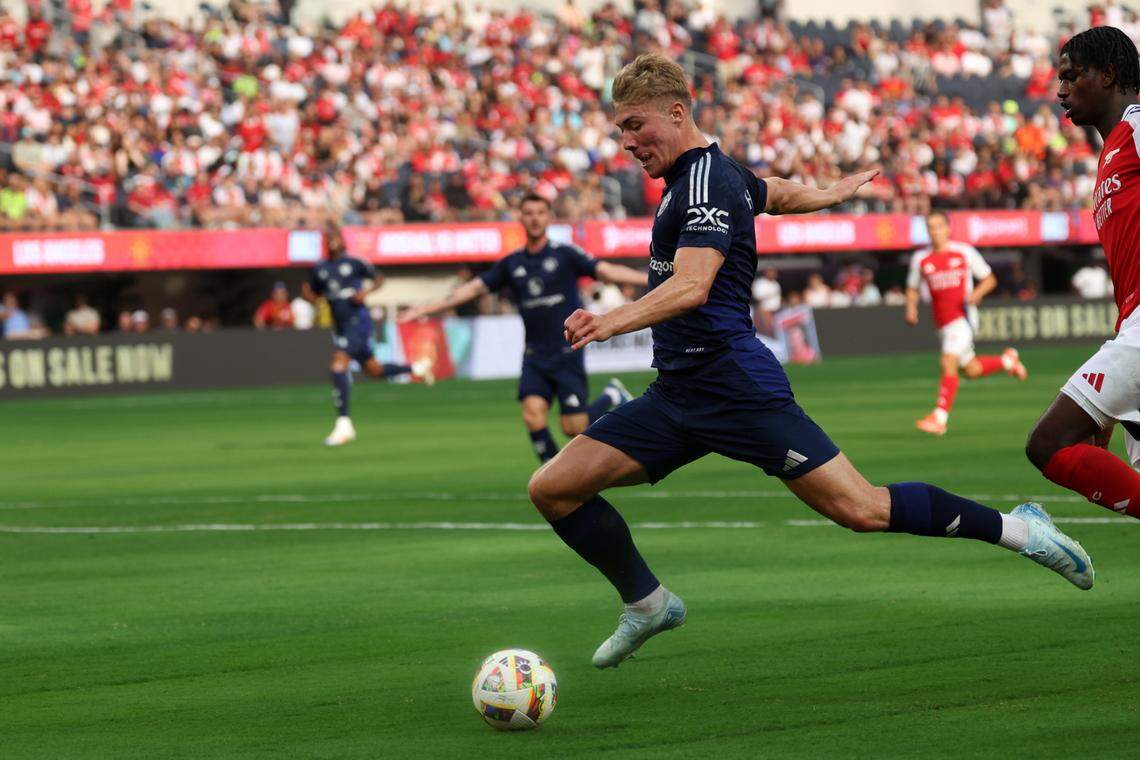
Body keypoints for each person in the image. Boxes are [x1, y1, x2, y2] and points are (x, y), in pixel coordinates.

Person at [526, 53, 1093, 670]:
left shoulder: (704, 182)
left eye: (636, 125)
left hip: (736, 385)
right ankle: (648, 603)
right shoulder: (709, 176)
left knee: (863, 509)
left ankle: (1020, 529)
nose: (627, 141)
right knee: (554, 488)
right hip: (678, 394)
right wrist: (829, 193)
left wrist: (609, 319)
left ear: (677, 111)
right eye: (619, 130)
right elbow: (772, 192)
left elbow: (692, 285)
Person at [399, 192, 649, 463]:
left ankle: (612, 394)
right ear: (521, 217)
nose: (534, 219)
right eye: (528, 213)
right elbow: (470, 290)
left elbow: (607, 271)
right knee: (532, 416)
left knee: (573, 428)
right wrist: (423, 310)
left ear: (549, 217)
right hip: (534, 356)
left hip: (567, 352)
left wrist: (648, 279)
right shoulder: (512, 263)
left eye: (540, 213)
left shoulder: (565, 254)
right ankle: (555, 478)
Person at [1026, 26, 1140, 521]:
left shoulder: (1137, 127)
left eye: (1072, 76)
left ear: (1109, 74)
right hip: (1132, 322)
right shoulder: (1112, 150)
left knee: (1050, 443)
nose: (1060, 91)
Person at [302, 223, 433, 446]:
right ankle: (417, 368)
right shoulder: (320, 268)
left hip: (359, 322)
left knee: (338, 365)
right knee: (374, 370)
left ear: (343, 241)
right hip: (341, 326)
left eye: (337, 237)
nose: (333, 241)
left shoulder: (354, 262)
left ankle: (344, 425)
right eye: (329, 238)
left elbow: (379, 278)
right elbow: (313, 294)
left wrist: (365, 292)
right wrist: (309, 297)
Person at [906, 211, 1028, 436]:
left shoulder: (964, 252)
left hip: (963, 318)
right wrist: (911, 308)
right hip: (942, 324)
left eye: (939, 226)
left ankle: (939, 417)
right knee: (970, 370)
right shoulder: (920, 258)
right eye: (930, 227)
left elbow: (989, 279)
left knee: (948, 361)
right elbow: (913, 288)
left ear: (948, 228)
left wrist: (976, 294)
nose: (935, 231)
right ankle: (1007, 361)